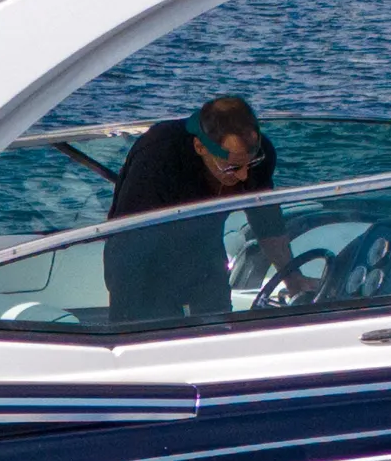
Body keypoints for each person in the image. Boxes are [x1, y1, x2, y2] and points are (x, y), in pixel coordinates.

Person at [102, 97, 285, 326]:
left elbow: (267, 219)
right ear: (200, 147)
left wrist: (292, 277)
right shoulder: (158, 156)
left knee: (219, 328)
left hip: (206, 249)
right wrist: (124, 324)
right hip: (144, 258)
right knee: (154, 332)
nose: (244, 176)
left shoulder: (257, 155)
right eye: (232, 167)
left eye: (251, 163)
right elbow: (128, 247)